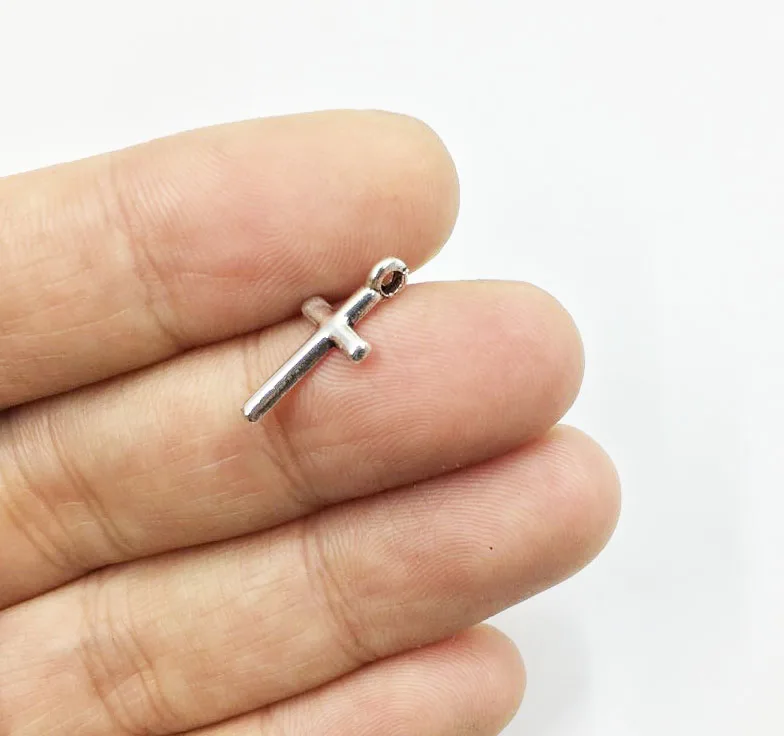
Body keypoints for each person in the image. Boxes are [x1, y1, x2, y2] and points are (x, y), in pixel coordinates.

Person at [0, 110, 620, 735]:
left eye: (386, 284)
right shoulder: (338, 314)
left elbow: (340, 330)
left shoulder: (345, 315)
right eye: (385, 283)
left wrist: (343, 332)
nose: (384, 284)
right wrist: (340, 329)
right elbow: (332, 324)